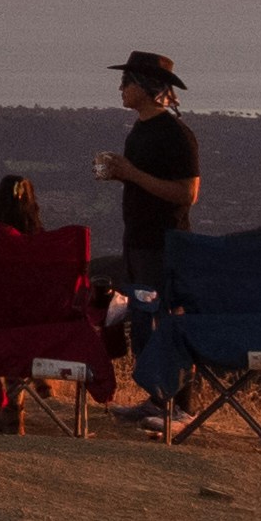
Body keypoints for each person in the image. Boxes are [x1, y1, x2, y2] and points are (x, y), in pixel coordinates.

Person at [92, 50, 202, 422]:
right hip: (138, 241)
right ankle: (157, 400)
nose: (120, 88)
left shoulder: (176, 135)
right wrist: (122, 174)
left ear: (146, 88)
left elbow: (188, 194)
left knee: (166, 321)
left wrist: (133, 175)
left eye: (127, 82)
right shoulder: (139, 130)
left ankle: (180, 407)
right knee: (142, 324)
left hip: (164, 245)